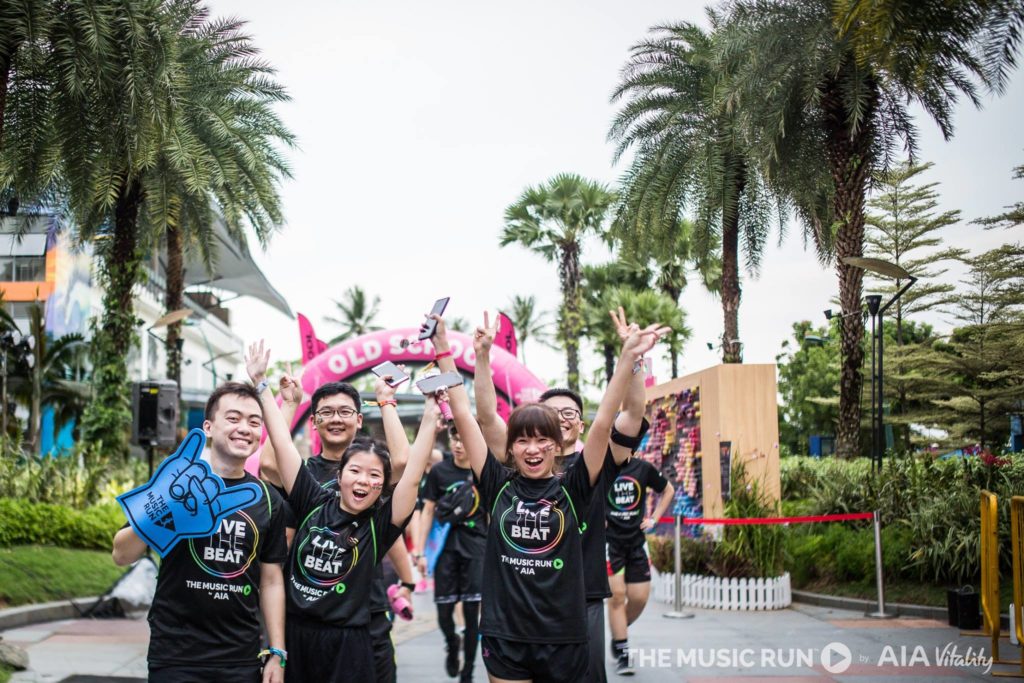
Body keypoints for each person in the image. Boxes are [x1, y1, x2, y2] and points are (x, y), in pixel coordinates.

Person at [437, 312, 666, 683]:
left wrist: (629, 358)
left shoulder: (578, 483)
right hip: (506, 630)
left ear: (559, 440)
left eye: (543, 439)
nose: (533, 448)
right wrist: (451, 349)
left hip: (569, 622)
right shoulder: (499, 483)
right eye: (524, 440)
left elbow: (610, 419)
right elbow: (470, 413)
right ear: (511, 447)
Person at [249, 340, 437, 682]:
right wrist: (264, 387)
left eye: (373, 475)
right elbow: (277, 451)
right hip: (298, 629)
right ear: (339, 477)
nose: (362, 481)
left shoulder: (378, 522)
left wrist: (418, 409)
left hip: (358, 627)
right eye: (354, 472)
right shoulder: (311, 495)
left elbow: (407, 470)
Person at [112, 382, 288, 683]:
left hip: (240, 657)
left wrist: (277, 652)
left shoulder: (269, 500)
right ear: (208, 427)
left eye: (254, 422)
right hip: (175, 655)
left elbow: (271, 580)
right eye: (233, 418)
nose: (244, 428)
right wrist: (166, 505)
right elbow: (121, 554)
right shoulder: (175, 482)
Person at [414, 424, 487, 682]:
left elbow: (492, 514)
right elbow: (427, 511)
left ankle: (468, 671)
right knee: (444, 610)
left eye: (463, 439)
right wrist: (420, 552)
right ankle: (451, 642)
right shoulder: (439, 472)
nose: (457, 445)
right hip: (444, 549)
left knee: (471, 613)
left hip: (476, 549)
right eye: (454, 439)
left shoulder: (483, 471)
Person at [605, 455, 675, 675]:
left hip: (636, 543)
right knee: (617, 596)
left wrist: (654, 518)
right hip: (609, 543)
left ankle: (618, 632)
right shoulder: (601, 466)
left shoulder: (643, 468)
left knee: (639, 598)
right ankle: (623, 652)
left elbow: (668, 490)